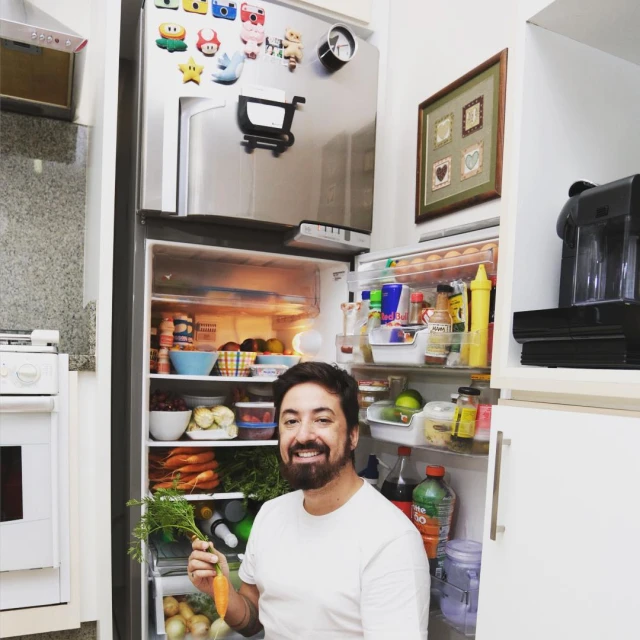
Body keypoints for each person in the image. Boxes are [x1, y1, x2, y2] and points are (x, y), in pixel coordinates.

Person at [188, 362, 430, 639]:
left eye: (322, 420)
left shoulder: (391, 541)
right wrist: (221, 588)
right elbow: (253, 620)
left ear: (353, 435)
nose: (303, 435)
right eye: (291, 421)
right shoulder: (271, 514)